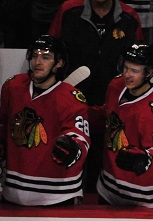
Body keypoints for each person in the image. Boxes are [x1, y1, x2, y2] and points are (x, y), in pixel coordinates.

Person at [48, 0, 144, 193]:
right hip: (72, 105)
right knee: (69, 162)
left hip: (113, 107)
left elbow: (139, 66)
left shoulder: (129, 17)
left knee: (107, 170)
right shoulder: (69, 10)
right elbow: (51, 53)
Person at [0, 35, 91, 206]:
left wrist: (73, 148)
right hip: (13, 192)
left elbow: (80, 138)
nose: (37, 62)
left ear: (59, 63)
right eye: (34, 55)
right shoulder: (13, 87)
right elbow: (3, 125)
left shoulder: (71, 98)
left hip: (57, 196)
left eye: (46, 57)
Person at [93, 43, 153, 207]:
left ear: (149, 73)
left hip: (142, 196)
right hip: (107, 188)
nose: (127, 75)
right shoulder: (116, 85)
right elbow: (106, 114)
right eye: (125, 68)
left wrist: (145, 159)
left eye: (134, 71)